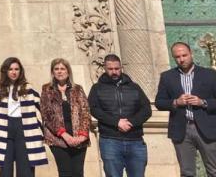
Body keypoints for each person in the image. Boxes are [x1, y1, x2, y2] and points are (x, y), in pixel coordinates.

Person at [156, 42, 216, 177]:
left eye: (184, 55)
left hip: (207, 128)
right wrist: (176, 102)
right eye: (177, 57)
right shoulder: (167, 77)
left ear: (191, 54)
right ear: (173, 58)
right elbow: (159, 102)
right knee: (187, 172)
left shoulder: (210, 75)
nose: (181, 59)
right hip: (182, 129)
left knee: (214, 170)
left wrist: (203, 102)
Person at [88, 53, 152, 177]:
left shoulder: (134, 87)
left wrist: (131, 122)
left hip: (135, 140)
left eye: (117, 69)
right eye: (110, 69)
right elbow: (93, 109)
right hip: (110, 140)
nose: (114, 72)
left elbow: (146, 109)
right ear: (105, 69)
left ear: (121, 68)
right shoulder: (97, 88)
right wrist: (116, 122)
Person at [0, 57, 47, 177]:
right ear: (5, 71)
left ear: (20, 71)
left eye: (16, 69)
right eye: (10, 69)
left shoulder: (29, 89)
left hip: (25, 130)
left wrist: (39, 131)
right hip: (4, 130)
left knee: (26, 170)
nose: (14, 72)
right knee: (5, 170)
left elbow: (39, 112)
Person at [40, 58, 90, 177]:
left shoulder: (77, 89)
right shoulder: (47, 89)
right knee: (65, 173)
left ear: (68, 71)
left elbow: (85, 112)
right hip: (58, 139)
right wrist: (64, 134)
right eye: (56, 69)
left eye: (62, 69)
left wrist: (82, 135)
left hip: (78, 138)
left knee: (78, 173)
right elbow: (47, 114)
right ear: (52, 72)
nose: (59, 71)